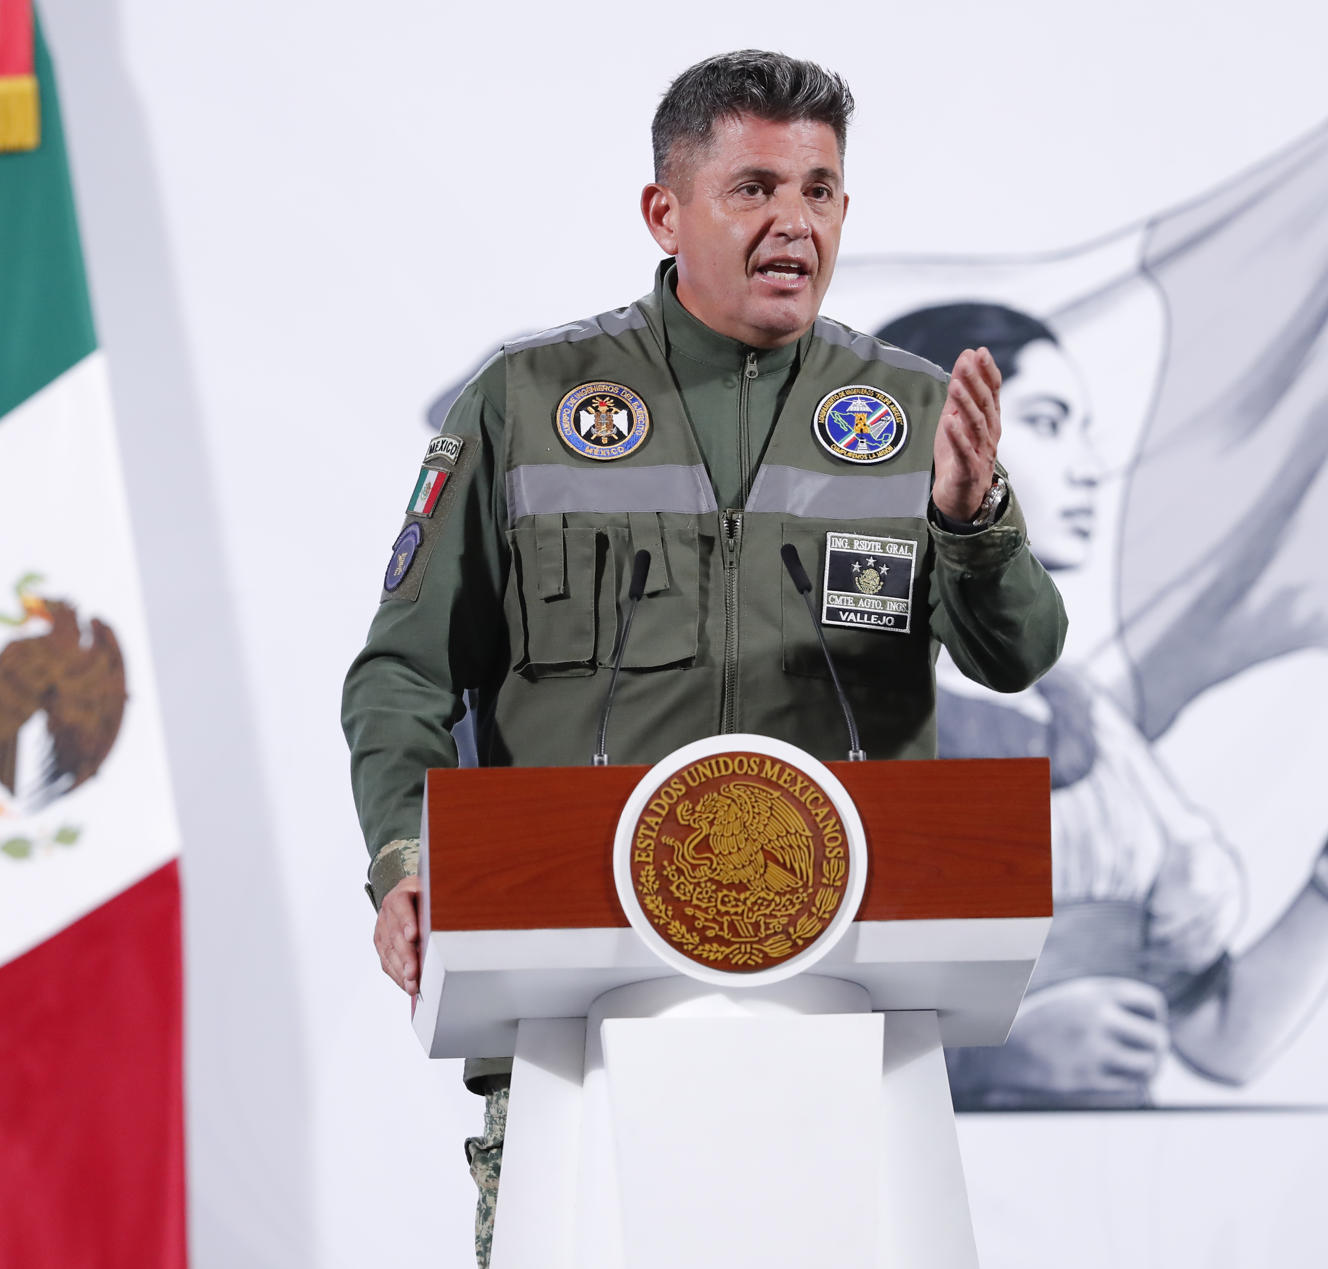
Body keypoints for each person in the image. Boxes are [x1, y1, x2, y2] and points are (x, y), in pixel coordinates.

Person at [339, 49, 1069, 1267]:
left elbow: (1019, 655)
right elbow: (405, 675)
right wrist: (409, 858)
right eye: (757, 187)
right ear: (665, 212)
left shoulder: (914, 415)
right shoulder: (526, 404)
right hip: (572, 1026)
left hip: (848, 1029)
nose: (796, 221)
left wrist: (967, 522)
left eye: (823, 190)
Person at [877, 302, 1328, 1108]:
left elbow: (1220, 1036)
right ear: (940, 443)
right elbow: (763, 1018)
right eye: (1049, 423)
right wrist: (985, 1061)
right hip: (935, 1181)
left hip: (1111, 1196)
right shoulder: (839, 709)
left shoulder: (1088, 724)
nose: (1090, 467)